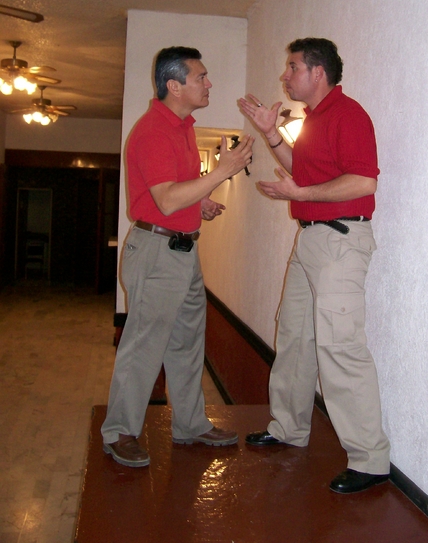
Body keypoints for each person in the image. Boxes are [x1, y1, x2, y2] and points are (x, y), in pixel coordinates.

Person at [238, 37, 390, 494]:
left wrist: (300, 194)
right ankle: (288, 427)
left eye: (292, 67)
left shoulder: (349, 115)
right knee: (294, 336)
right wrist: (271, 135)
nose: (285, 76)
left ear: (317, 72)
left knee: (340, 346)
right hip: (309, 239)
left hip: (341, 241)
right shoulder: (313, 119)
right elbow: (303, 174)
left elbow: (363, 182)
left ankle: (370, 459)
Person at [102, 46, 254, 468]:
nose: (209, 83)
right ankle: (119, 432)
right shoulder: (154, 131)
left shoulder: (184, 128)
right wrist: (221, 171)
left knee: (187, 343)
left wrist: (200, 203)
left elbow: (175, 191)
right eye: (200, 77)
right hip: (157, 251)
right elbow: (166, 200)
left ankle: (189, 424)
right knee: (143, 346)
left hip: (183, 249)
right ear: (174, 85)